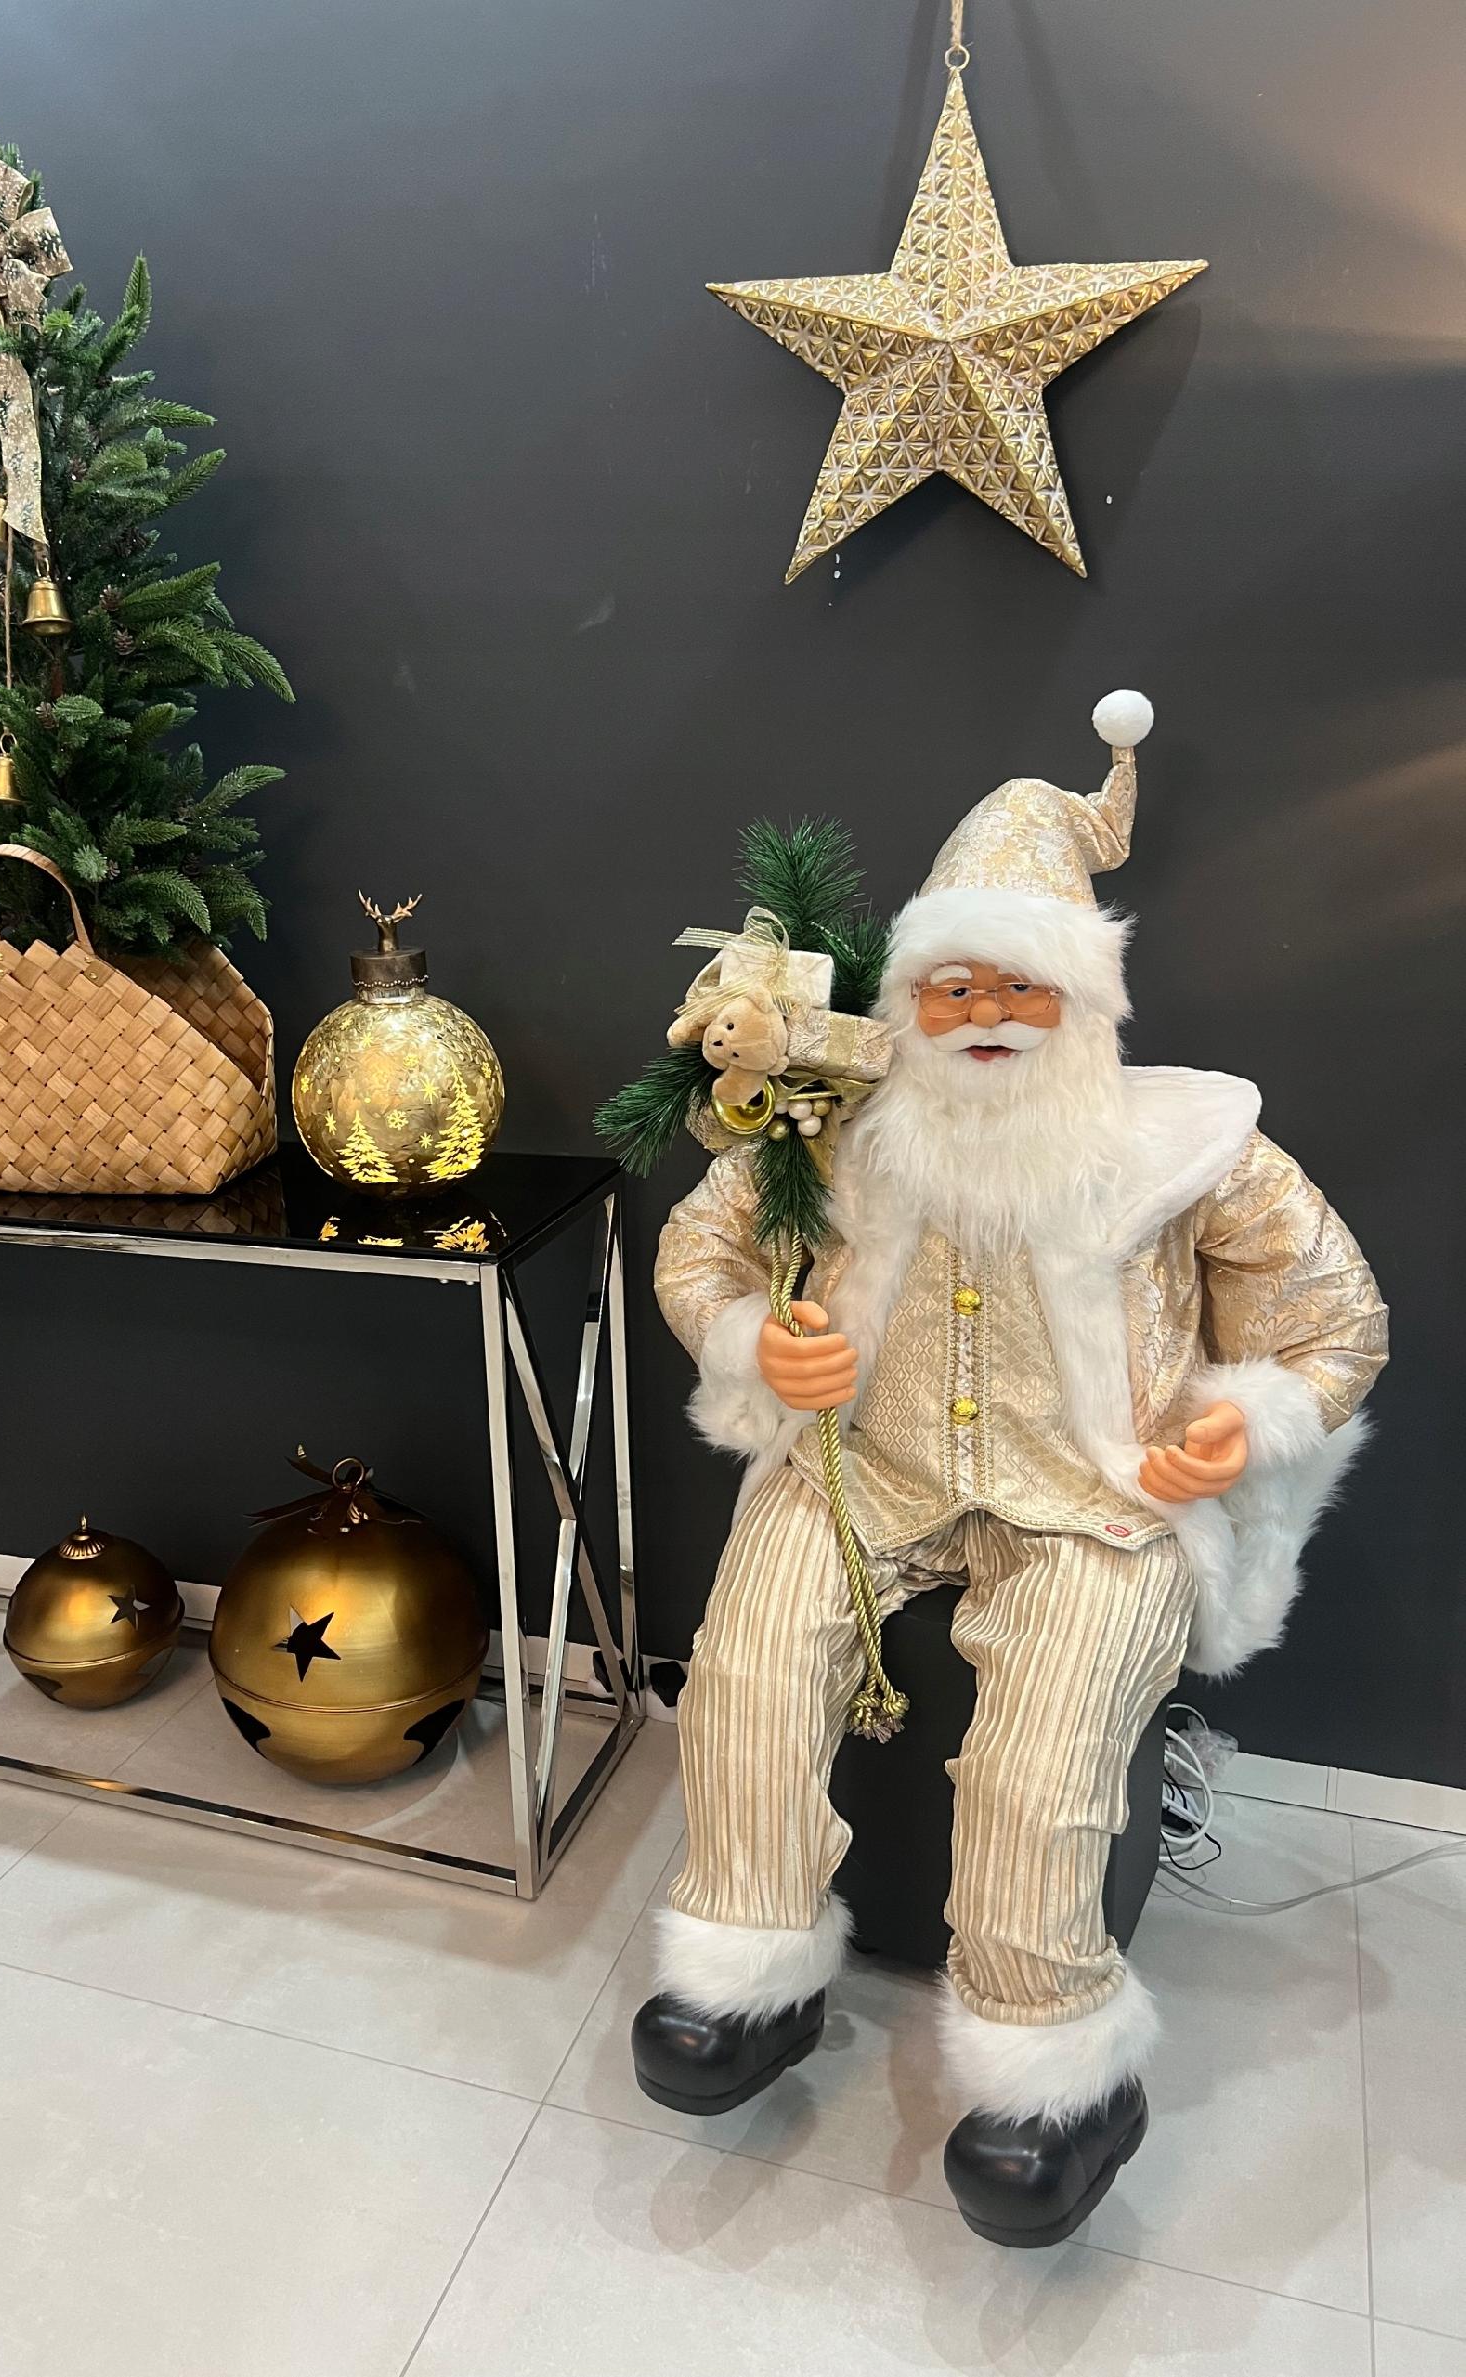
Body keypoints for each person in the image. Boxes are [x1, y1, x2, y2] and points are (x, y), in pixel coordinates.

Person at [634, 693, 1387, 2247]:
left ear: (1082, 1000)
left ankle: (1055, 2067)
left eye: (1021, 987)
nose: (986, 1014)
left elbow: (1336, 1318)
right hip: (868, 1470)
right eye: (955, 984)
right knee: (747, 1672)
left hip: (1094, 1502)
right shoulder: (834, 1131)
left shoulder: (1189, 1147)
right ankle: (749, 1970)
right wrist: (757, 1340)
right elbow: (699, 1249)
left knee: (1042, 1769)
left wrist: (1249, 1413)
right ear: (911, 999)